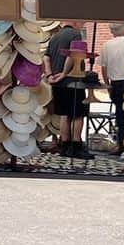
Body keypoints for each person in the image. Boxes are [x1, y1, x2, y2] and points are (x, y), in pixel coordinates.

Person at [45, 19, 87, 158]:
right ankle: (76, 146)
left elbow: (46, 58)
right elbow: (73, 55)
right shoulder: (76, 34)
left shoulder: (54, 37)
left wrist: (50, 75)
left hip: (57, 82)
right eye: (81, 23)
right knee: (77, 114)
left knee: (64, 114)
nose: (83, 25)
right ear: (75, 22)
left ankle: (64, 145)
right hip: (73, 80)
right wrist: (64, 73)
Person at [98, 22, 124, 153]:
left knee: (120, 115)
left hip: (115, 83)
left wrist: (107, 85)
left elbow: (104, 68)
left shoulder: (106, 45)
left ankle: (121, 144)